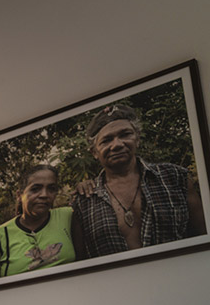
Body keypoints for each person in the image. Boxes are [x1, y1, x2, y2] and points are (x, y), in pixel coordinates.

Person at [71, 104, 206, 258]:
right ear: (94, 152)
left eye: (125, 134)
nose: (117, 144)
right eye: (106, 140)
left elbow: (204, 234)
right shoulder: (84, 201)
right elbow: (81, 260)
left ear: (137, 139)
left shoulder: (175, 177)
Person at [0, 164, 75, 278]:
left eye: (51, 189)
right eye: (35, 189)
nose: (44, 195)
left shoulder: (68, 216)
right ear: (20, 195)